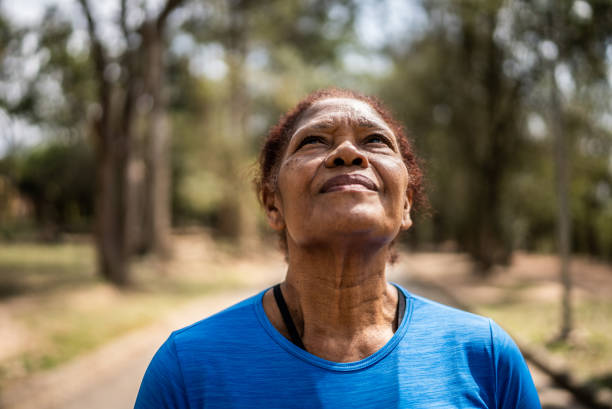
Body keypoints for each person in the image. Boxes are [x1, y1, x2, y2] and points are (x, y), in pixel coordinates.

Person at [134, 88, 541, 408]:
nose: (347, 152)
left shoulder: (485, 357)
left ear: (405, 205)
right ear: (272, 204)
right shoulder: (187, 370)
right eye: (313, 141)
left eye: (375, 141)